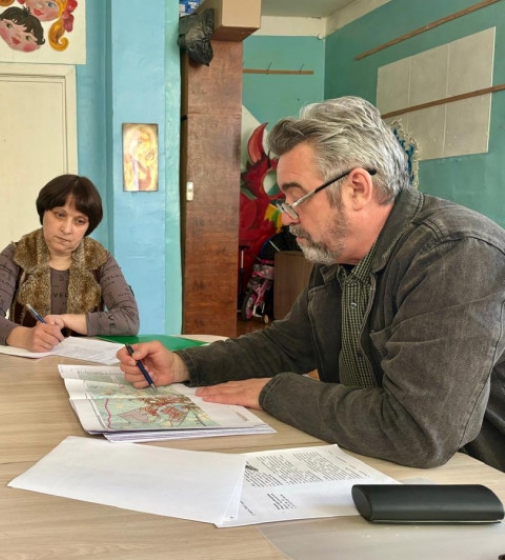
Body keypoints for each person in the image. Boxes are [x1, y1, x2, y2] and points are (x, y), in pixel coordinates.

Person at [118, 96, 505, 472]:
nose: (287, 218)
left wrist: (273, 391)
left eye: (296, 198)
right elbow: (285, 345)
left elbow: (418, 431)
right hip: (377, 465)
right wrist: (184, 364)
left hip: (478, 480)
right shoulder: (339, 253)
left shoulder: (455, 253)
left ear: (357, 188)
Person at [0, 174, 139, 353]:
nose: (66, 229)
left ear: (88, 227)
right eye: (60, 215)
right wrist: (26, 337)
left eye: (79, 221)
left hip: (84, 361)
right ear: (43, 212)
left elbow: (129, 319)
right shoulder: (16, 254)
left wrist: (65, 320)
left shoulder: (100, 258)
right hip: (27, 360)